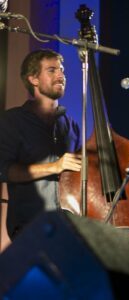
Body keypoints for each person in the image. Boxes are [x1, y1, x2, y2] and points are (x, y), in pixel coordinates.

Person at [0, 48, 82, 240]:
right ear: (33, 79)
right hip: (29, 226)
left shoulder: (71, 125)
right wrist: (54, 166)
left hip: (67, 227)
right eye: (52, 70)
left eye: (62, 70)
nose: (61, 75)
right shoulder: (11, 121)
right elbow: (4, 170)